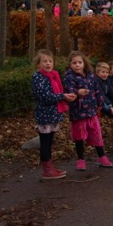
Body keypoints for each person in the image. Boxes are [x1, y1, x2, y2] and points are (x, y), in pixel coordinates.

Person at [63, 51, 113, 171]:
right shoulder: (69, 77)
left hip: (91, 111)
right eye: (74, 63)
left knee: (96, 134)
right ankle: (80, 159)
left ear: (84, 63)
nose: (77, 65)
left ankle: (102, 156)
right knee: (79, 137)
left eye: (79, 62)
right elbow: (68, 90)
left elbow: (97, 90)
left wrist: (100, 102)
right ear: (70, 64)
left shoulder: (91, 76)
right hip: (78, 112)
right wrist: (77, 92)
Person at [31, 49, 75, 180]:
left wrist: (65, 95)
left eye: (50, 61)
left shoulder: (54, 76)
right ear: (39, 63)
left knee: (50, 141)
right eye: (44, 61)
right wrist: (62, 96)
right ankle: (47, 169)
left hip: (53, 113)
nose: (48, 64)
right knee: (45, 142)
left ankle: (50, 166)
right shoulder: (38, 77)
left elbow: (56, 93)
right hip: (45, 114)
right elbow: (45, 96)